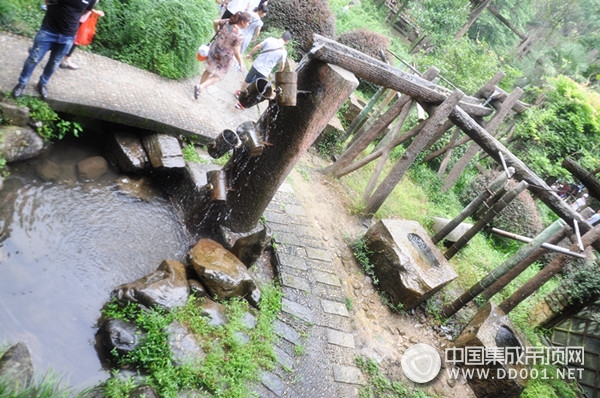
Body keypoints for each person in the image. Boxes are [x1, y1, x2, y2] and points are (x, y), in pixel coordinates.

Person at [12, 0, 97, 100]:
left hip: (68, 36)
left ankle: (42, 84)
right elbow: (48, 1)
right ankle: (22, 83)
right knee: (33, 58)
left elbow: (86, 11)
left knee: (54, 63)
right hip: (48, 31)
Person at [194, 11, 251, 99]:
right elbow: (236, 52)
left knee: (209, 70)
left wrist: (218, 32)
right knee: (218, 76)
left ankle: (199, 88)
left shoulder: (227, 21)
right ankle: (200, 87)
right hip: (225, 58)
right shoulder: (239, 35)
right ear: (242, 22)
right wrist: (240, 63)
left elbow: (215, 22)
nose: (248, 24)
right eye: (248, 22)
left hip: (215, 50)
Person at [235, 31, 291, 109]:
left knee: (248, 80)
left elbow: (258, 46)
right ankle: (241, 103)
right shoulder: (284, 52)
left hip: (256, 65)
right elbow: (282, 66)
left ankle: (240, 93)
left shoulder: (270, 39)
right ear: (287, 41)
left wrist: (250, 54)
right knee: (254, 88)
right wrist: (277, 74)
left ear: (281, 35)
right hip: (265, 72)